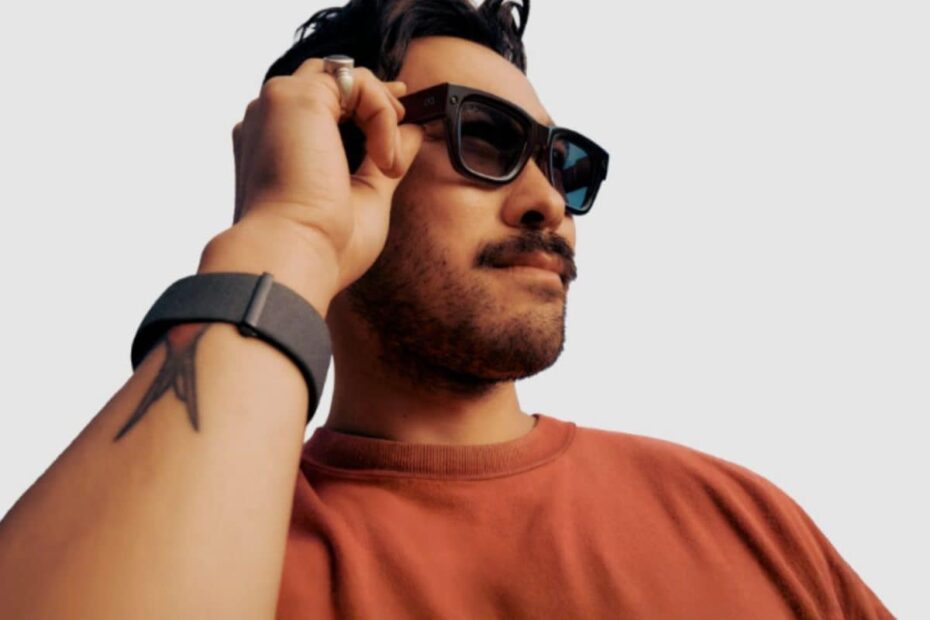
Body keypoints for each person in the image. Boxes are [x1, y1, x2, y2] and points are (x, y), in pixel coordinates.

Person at [0, 0, 893, 617]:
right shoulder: (224, 537)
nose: (548, 203)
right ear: (351, 158)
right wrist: (290, 233)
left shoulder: (741, 517)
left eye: (564, 164)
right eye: (488, 139)